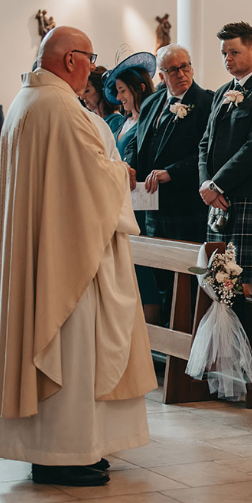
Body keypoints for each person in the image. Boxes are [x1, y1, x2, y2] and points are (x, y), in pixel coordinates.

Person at [0, 26, 156, 487]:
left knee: (69, 353)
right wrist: (121, 172)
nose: (92, 70)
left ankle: (71, 449)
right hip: (67, 258)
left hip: (48, 249)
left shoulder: (25, 103)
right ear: (73, 59)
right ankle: (61, 453)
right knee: (71, 351)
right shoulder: (61, 108)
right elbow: (94, 180)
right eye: (90, 58)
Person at [199, 21, 252, 390]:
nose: (228, 60)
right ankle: (238, 360)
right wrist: (206, 183)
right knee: (226, 285)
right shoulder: (222, 93)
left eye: (233, 52)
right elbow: (205, 143)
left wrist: (218, 183)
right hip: (221, 201)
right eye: (223, 54)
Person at [125, 44, 212, 324]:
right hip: (151, 204)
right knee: (158, 273)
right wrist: (129, 164)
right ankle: (164, 338)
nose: (181, 73)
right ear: (161, 76)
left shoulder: (206, 102)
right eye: (173, 69)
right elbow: (137, 141)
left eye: (185, 66)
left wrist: (171, 172)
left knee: (186, 276)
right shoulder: (151, 103)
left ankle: (186, 341)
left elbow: (206, 151)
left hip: (184, 204)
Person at [103, 53, 161, 313]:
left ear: (139, 88)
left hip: (142, 202)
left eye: (123, 90)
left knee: (143, 269)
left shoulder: (149, 122)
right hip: (119, 201)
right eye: (117, 92)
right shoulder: (124, 122)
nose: (119, 98)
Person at [81, 66, 124, 132]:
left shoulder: (116, 122)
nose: (82, 97)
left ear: (101, 90)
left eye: (87, 91)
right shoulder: (92, 120)